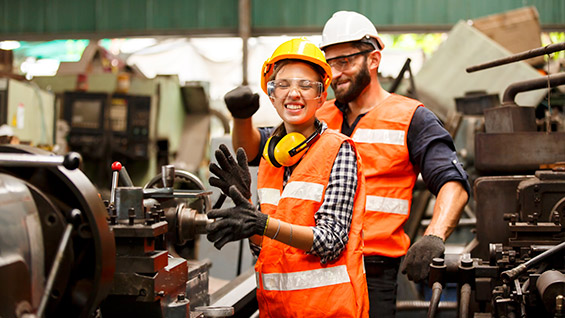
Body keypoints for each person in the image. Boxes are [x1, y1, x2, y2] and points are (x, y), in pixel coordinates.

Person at [224, 11, 471, 318]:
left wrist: (435, 234)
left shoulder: (411, 118)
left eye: (345, 62)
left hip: (374, 268)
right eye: (330, 63)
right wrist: (241, 116)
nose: (336, 72)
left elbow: (452, 180)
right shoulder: (317, 114)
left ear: (374, 60)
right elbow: (255, 150)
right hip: (310, 262)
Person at [206, 37, 369, 317]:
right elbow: (266, 249)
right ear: (271, 95)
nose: (294, 93)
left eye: (306, 85)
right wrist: (246, 209)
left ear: (321, 95)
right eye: (283, 85)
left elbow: (331, 241)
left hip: (329, 310)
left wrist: (262, 222)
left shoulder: (339, 150)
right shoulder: (272, 157)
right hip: (276, 309)